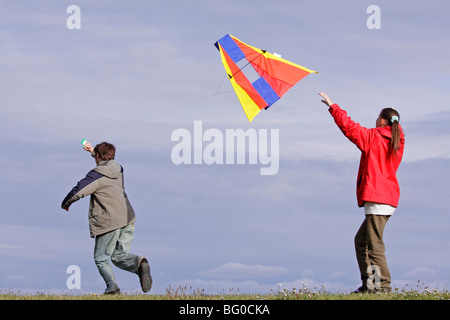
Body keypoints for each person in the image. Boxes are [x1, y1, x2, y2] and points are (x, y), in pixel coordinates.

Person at [318, 92, 405, 293]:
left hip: (377, 198)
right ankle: (370, 284)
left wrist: (333, 107)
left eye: (378, 116)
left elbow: (350, 128)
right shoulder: (396, 140)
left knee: (374, 245)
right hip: (387, 198)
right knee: (361, 241)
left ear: (382, 120)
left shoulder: (375, 137)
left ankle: (381, 286)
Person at [61, 141, 152, 295]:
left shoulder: (96, 175)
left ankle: (112, 289)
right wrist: (92, 151)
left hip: (110, 221)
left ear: (98, 156)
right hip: (128, 218)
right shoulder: (118, 169)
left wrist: (66, 203)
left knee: (101, 258)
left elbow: (79, 189)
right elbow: (105, 164)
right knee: (118, 256)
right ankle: (139, 263)